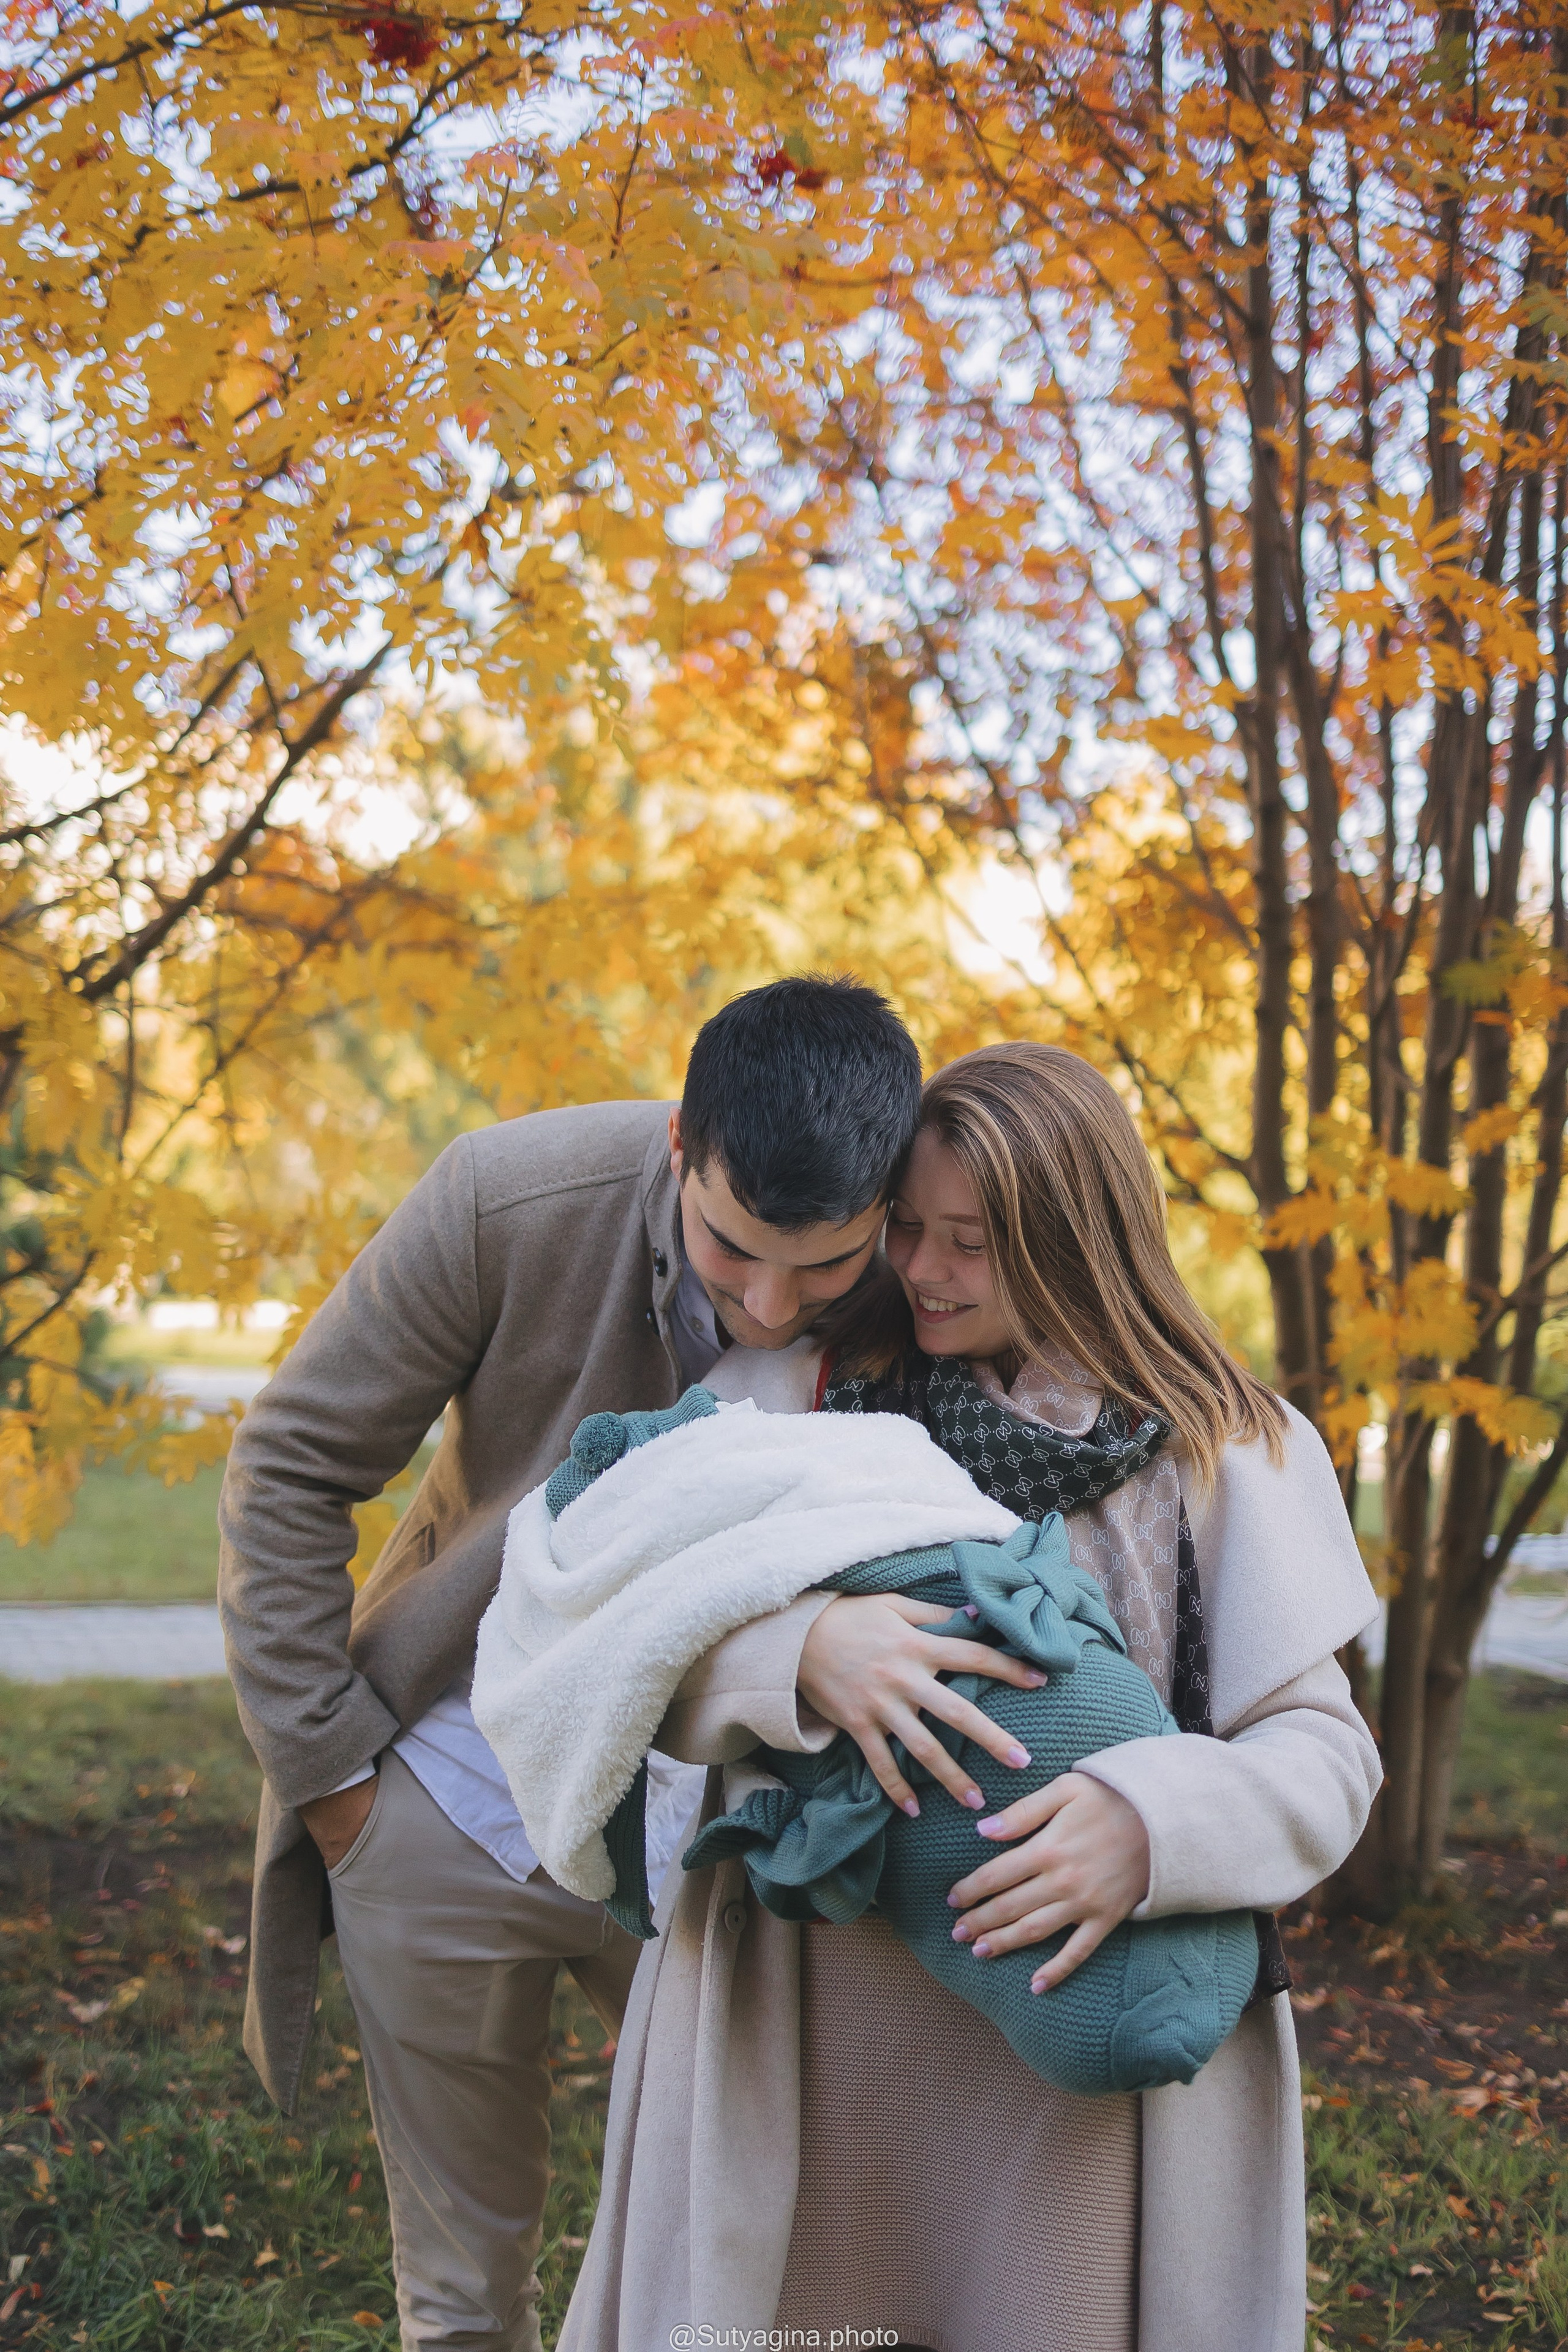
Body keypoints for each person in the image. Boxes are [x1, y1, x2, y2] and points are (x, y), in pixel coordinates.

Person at [218, 976, 1030, 2352]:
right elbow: (288, 1466)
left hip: (720, 1860)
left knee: (766, 2273)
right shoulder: (504, 1196)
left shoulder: (931, 1277)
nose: (772, 1306)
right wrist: (338, 1783)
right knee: (466, 2295)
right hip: (443, 1805)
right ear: (676, 1144)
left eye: (823, 1266)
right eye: (728, 1252)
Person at [563, 1041, 1382, 2352]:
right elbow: (624, 1640)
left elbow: (1324, 1760)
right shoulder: (795, 1396)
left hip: (1075, 2021)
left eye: (971, 1242)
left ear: (1077, 1242)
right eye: (906, 1230)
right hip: (814, 2014)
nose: (923, 1273)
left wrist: (1147, 1826)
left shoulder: (1225, 1448)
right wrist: (801, 1655)